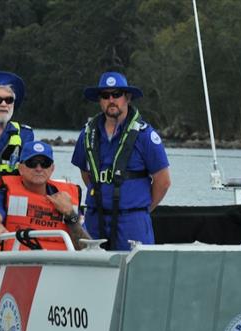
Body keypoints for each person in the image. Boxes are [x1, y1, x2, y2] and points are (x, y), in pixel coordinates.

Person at [71, 71, 171, 251]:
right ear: (99, 100)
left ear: (127, 97)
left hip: (132, 222)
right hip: (95, 219)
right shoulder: (87, 134)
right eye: (105, 95)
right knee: (92, 273)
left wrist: (141, 209)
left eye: (116, 94)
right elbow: (86, 174)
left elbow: (163, 181)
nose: (111, 100)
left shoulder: (145, 136)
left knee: (137, 274)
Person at [0, 141, 88, 251]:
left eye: (45, 163)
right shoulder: (5, 191)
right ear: (20, 168)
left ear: (52, 169)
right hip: (17, 263)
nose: (39, 168)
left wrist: (70, 214)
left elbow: (84, 246)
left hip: (59, 263)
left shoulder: (67, 197)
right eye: (32, 163)